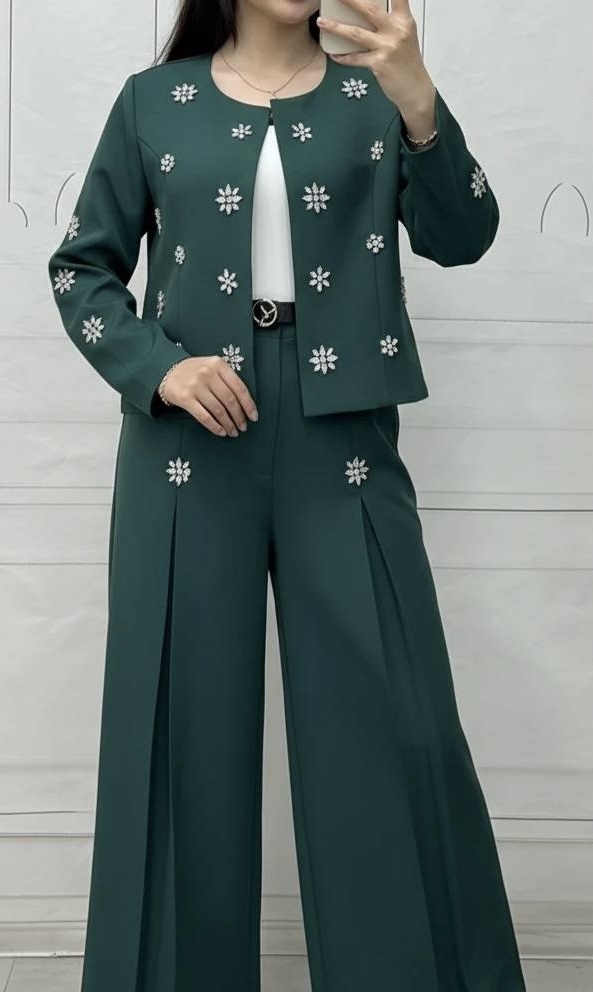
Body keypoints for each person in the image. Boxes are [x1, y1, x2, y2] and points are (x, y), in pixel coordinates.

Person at [48, 0, 527, 989]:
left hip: (342, 435)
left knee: (390, 727)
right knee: (179, 739)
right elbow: (82, 268)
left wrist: (419, 104)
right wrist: (159, 367)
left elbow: (463, 235)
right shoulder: (153, 102)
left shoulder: (374, 95)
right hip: (190, 442)